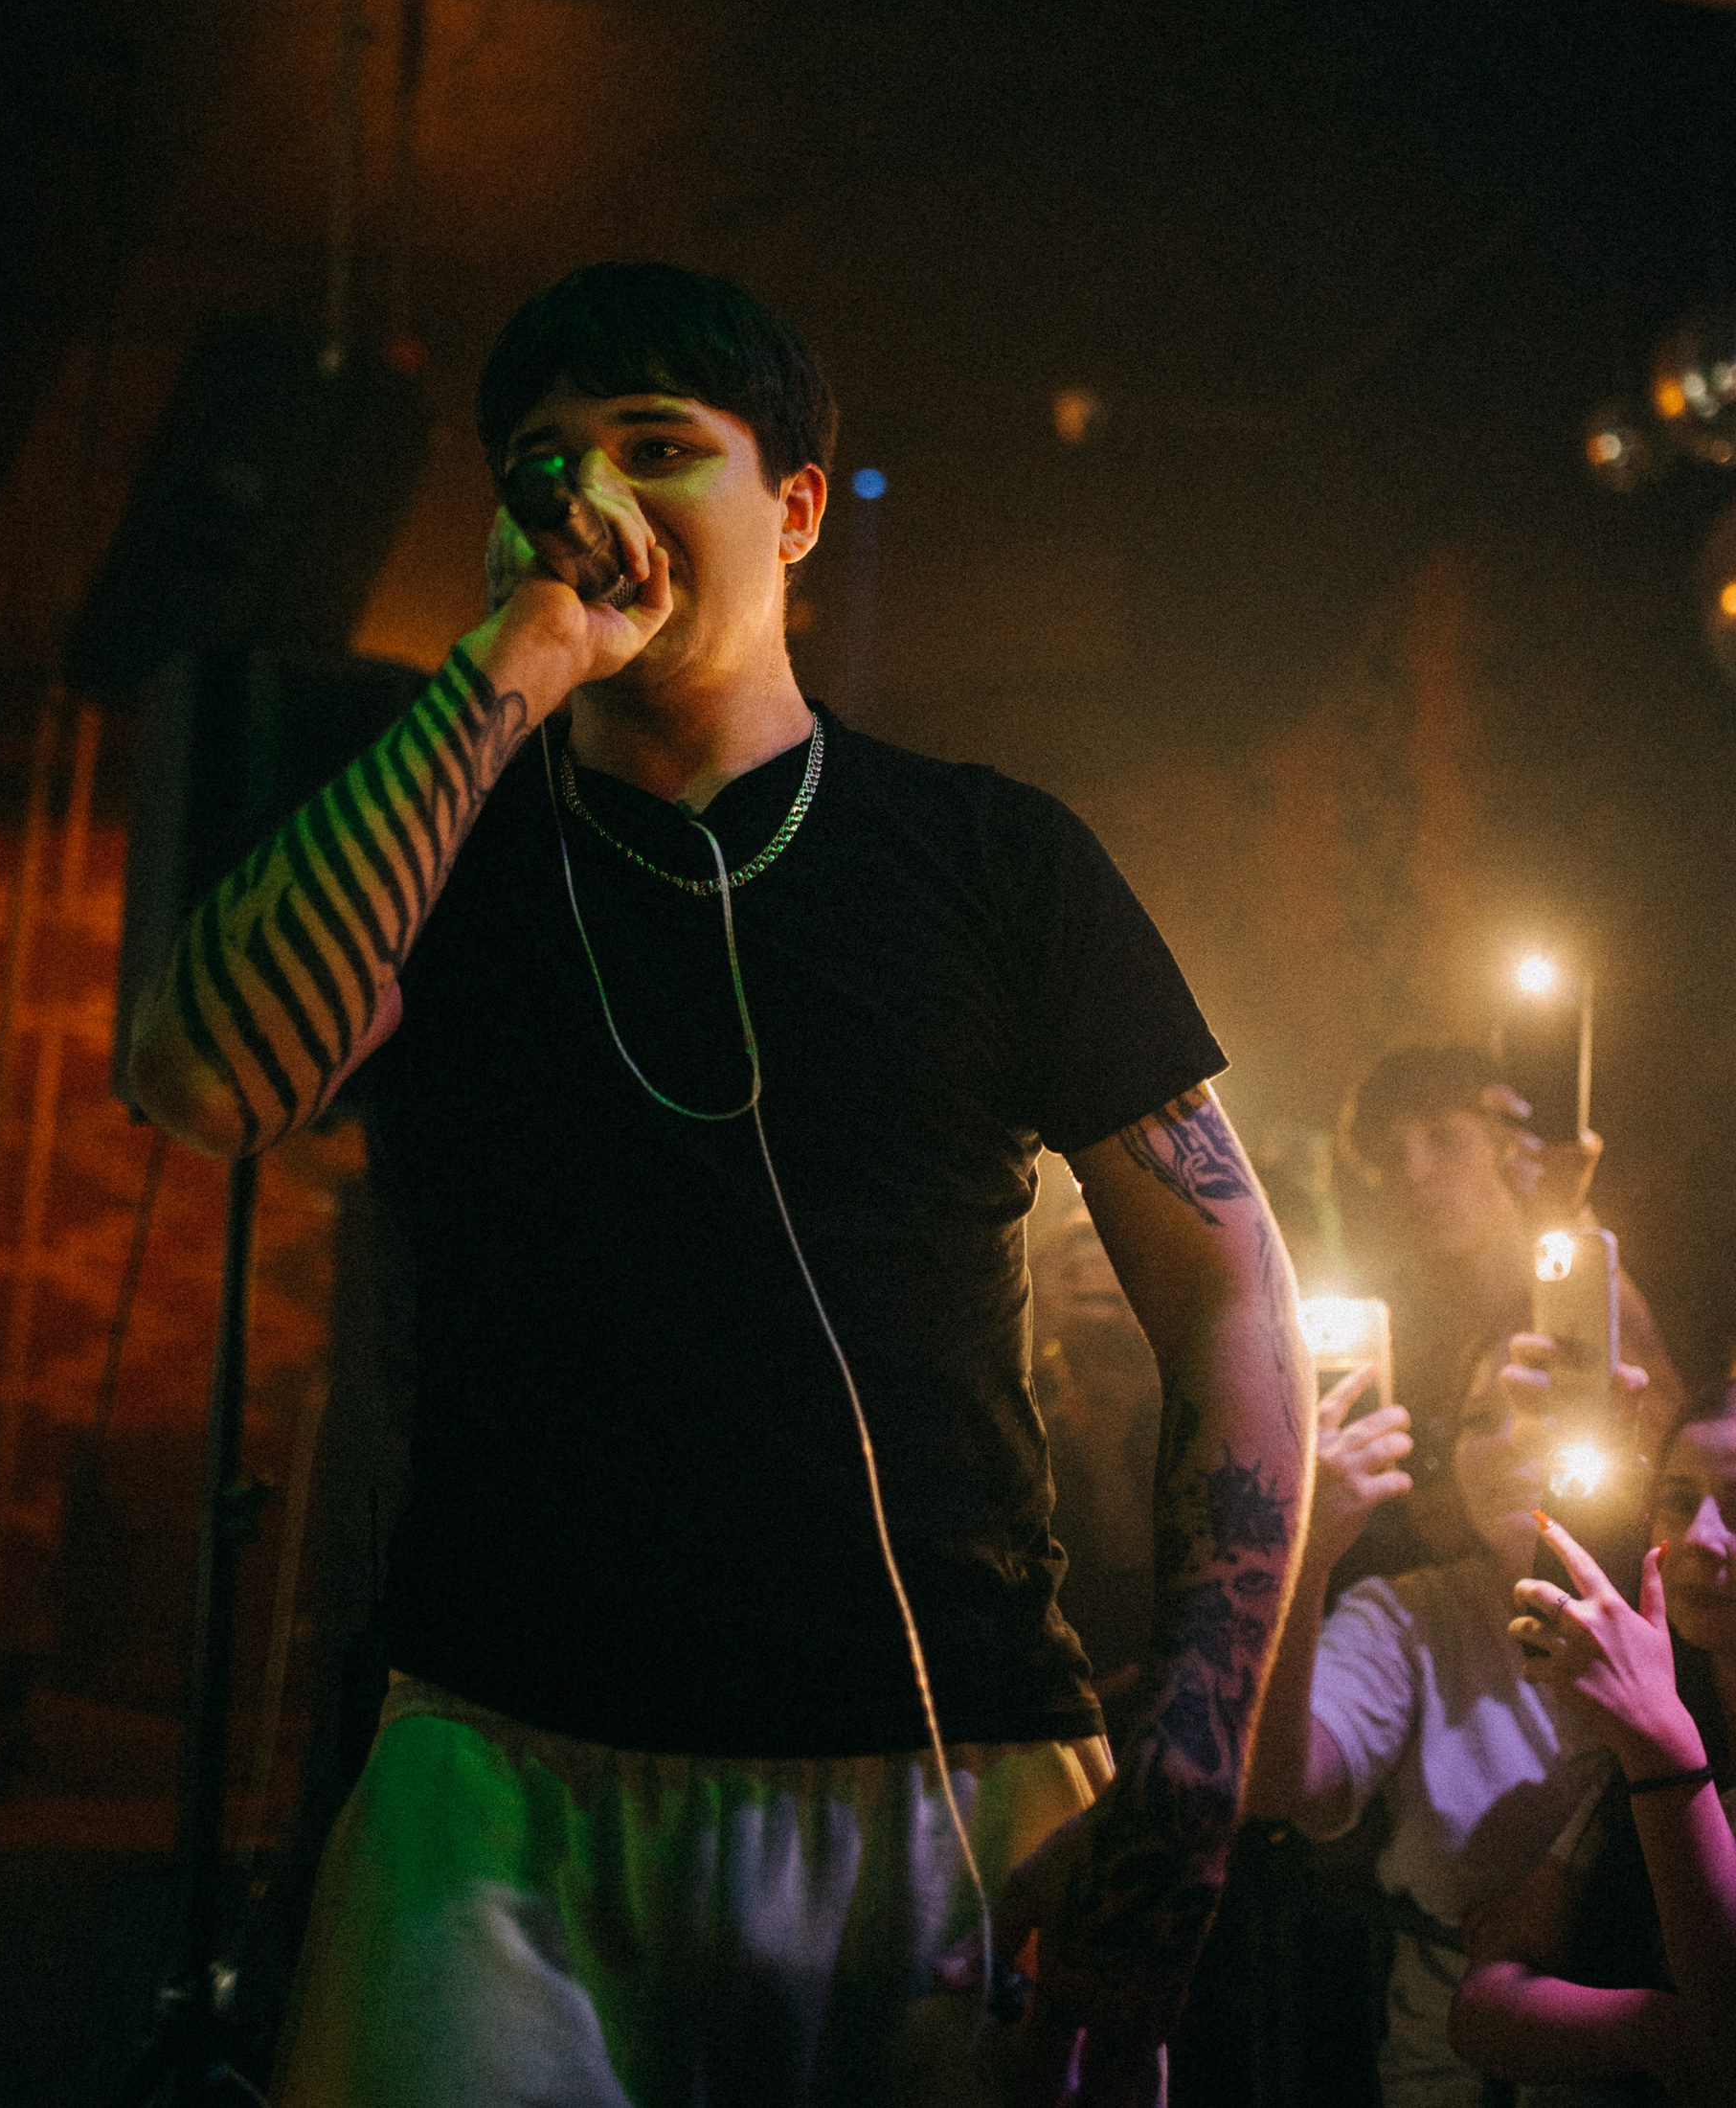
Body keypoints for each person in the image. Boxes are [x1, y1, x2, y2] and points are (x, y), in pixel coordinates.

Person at [128, 261, 1314, 2108]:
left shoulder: (992, 857)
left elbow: (1230, 1289)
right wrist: (515, 665)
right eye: (542, 462)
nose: (589, 497)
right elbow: (210, 1081)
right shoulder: (438, 841)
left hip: (947, 1760)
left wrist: (1187, 1774)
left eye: (657, 445)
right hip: (499, 1776)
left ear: (797, 508)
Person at [1243, 1326, 1640, 2108]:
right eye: (1477, 1419)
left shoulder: (1690, 1591)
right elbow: (1282, 1787)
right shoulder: (1410, 1616)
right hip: (1459, 2076)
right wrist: (1307, 1552)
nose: (1509, 1438)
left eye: (1541, 1403)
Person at [1447, 1384, 1736, 2106]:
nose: (1701, 1536)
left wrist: (1658, 1737)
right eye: (1678, 1501)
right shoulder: (1685, 1729)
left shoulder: (1664, 1732)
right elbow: (1479, 2006)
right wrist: (1660, 2027)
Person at [1339, 1049, 1680, 1559]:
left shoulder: (1605, 1267)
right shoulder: (1396, 1333)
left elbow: (1673, 1450)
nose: (1414, 1171)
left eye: (1443, 1138)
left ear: (1509, 1142)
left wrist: (1562, 1211)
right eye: (1391, 1154)